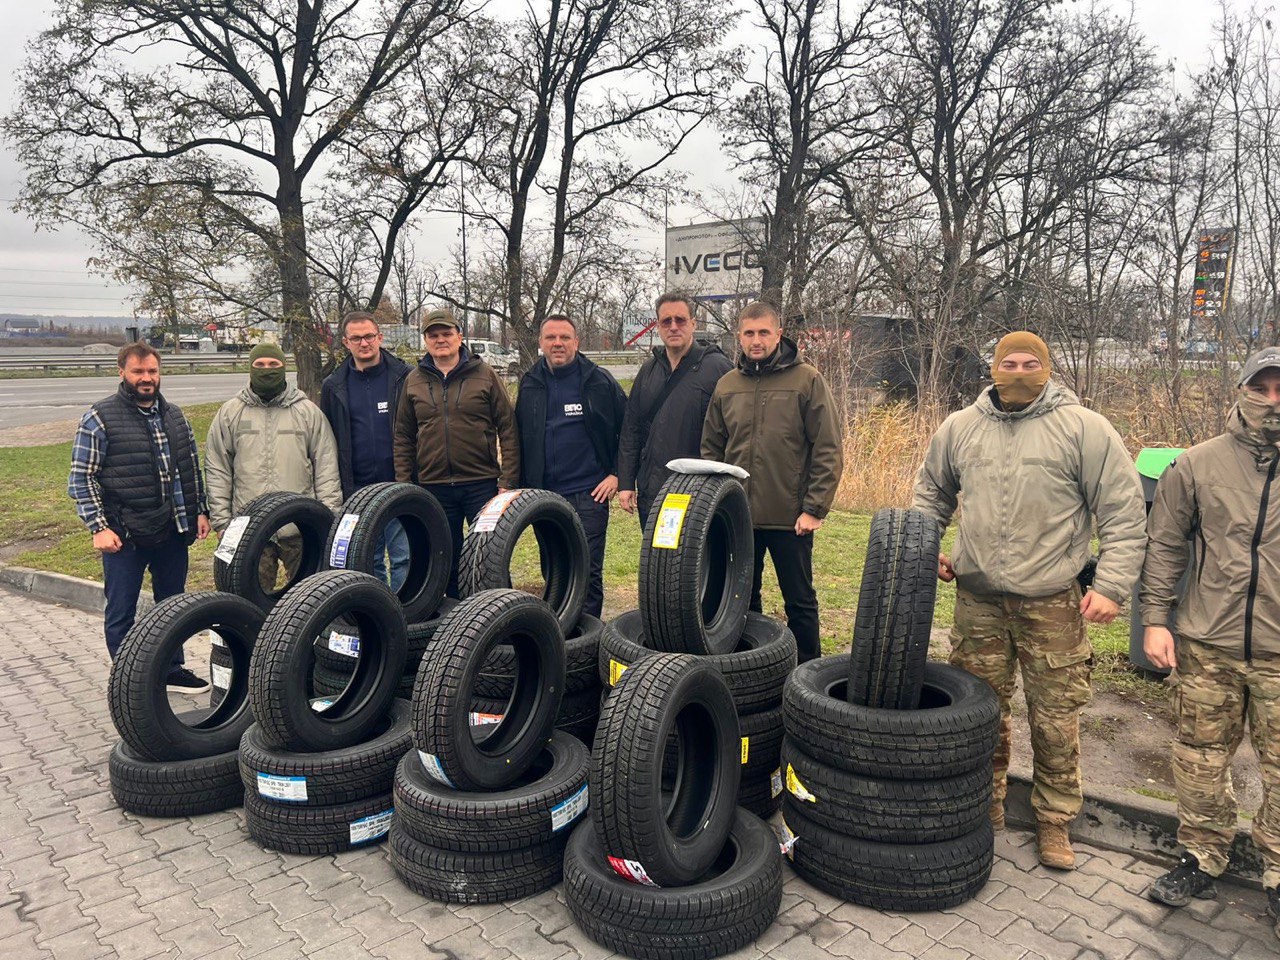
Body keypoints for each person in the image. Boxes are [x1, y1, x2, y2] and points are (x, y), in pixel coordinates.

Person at [912, 331, 1146, 870]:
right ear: (993, 369)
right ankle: (985, 804)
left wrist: (1111, 586)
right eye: (1009, 363)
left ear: (1047, 369)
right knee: (979, 713)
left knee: (1055, 717)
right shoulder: (960, 427)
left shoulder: (1083, 428)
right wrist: (925, 548)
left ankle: (1054, 820)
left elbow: (1123, 512)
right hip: (978, 601)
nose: (1018, 373)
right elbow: (931, 494)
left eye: (1029, 364)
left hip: (1052, 602)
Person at [1141, 347, 1280, 931]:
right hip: (1207, 645)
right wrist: (1155, 618)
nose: (1271, 401)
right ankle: (1202, 853)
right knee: (1198, 761)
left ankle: (1278, 871)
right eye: (1261, 388)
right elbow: (1165, 546)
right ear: (1241, 391)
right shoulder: (1196, 465)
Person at [701, 301, 843, 664]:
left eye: (764, 332)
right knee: (740, 600)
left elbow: (827, 447)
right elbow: (711, 450)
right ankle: (749, 667)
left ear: (778, 334)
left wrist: (814, 508)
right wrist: (716, 505)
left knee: (800, 601)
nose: (756, 340)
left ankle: (807, 672)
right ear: (739, 336)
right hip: (738, 517)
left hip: (790, 518)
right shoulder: (727, 385)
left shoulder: (806, 380)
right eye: (749, 333)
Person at [68, 342, 212, 691]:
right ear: (122, 372)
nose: (146, 378)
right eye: (138, 371)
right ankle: (130, 682)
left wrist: (199, 510)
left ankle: (172, 669)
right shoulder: (99, 418)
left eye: (152, 371)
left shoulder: (175, 416)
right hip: (124, 535)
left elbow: (190, 468)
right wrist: (98, 527)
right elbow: (81, 477)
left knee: (172, 606)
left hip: (171, 530)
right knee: (122, 611)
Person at [393, 308, 519, 597]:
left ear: (459, 337)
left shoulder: (485, 374)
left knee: (489, 556)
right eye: (433, 335)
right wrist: (405, 483)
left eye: (446, 333)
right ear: (425, 340)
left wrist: (508, 480)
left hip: (481, 484)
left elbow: (508, 428)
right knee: (443, 558)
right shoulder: (414, 380)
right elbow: (403, 436)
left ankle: (501, 611)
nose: (441, 340)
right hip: (434, 486)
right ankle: (452, 615)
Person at [515, 314, 626, 618]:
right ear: (541, 342)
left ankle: (587, 638)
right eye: (551, 337)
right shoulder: (530, 383)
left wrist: (616, 474)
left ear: (576, 342)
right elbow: (519, 435)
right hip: (544, 496)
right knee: (554, 570)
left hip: (589, 494)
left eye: (564, 337)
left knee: (587, 571)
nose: (558, 343)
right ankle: (560, 634)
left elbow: (629, 428)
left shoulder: (599, 381)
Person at [205, 341, 343, 586]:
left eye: (273, 364)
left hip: (300, 528)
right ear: (251, 368)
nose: (266, 369)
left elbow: (326, 467)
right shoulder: (230, 413)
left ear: (283, 367)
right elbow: (218, 469)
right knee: (248, 599)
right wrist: (222, 522)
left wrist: (327, 517)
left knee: (308, 596)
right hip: (249, 529)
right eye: (260, 364)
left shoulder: (308, 412)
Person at [617, 292, 733, 527]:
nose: (673, 327)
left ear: (693, 323)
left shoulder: (719, 368)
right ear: (658, 326)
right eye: (666, 321)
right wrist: (626, 483)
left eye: (680, 320)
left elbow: (735, 430)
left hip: (701, 492)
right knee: (655, 551)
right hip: (653, 490)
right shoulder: (648, 371)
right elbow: (631, 429)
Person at [320, 311, 412, 589]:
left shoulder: (405, 377)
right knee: (367, 559)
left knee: (404, 557)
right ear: (346, 342)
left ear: (379, 337)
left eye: (369, 336)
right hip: (358, 491)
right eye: (356, 338)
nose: (364, 343)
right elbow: (329, 438)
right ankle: (378, 609)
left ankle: (406, 609)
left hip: (399, 485)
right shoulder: (333, 386)